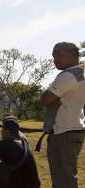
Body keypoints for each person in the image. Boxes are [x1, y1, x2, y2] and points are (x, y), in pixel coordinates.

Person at [40, 42, 85, 188]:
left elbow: (46, 99)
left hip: (64, 133)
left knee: (63, 180)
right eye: (53, 56)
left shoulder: (68, 75)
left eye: (57, 55)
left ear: (72, 54)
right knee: (65, 178)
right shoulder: (81, 73)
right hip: (73, 129)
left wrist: (49, 93)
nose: (54, 60)